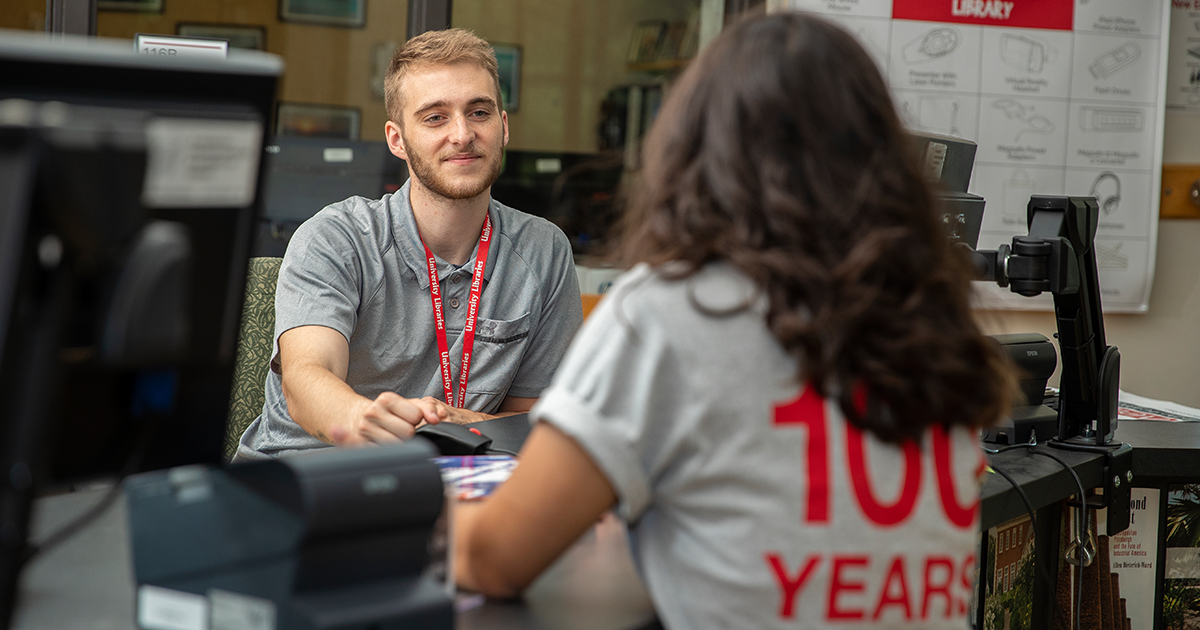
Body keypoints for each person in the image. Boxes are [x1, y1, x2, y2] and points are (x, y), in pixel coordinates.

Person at [446, 12, 1017, 628]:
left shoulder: (669, 313)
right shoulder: (934, 326)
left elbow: (493, 559)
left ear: (695, 151)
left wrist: (422, 507)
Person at [236, 29, 582, 460]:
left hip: (454, 483)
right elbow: (306, 380)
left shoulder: (544, 250)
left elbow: (532, 427)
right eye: (435, 117)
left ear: (503, 126)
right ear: (396, 139)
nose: (461, 134)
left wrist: (454, 424)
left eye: (479, 112)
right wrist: (373, 425)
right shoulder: (335, 237)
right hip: (308, 472)